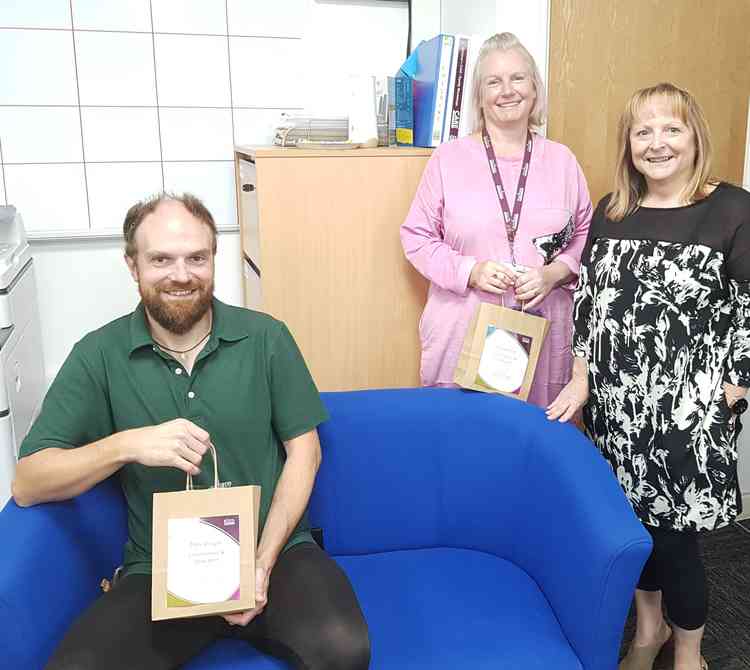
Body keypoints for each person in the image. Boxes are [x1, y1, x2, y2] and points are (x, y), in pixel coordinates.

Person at [11, 193, 370, 670]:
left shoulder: (266, 337)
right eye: (161, 259)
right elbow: (28, 482)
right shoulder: (98, 354)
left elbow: (306, 453)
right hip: (160, 571)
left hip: (275, 555)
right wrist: (126, 445)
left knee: (345, 649)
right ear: (133, 265)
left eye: (196, 258)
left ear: (213, 261)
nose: (181, 275)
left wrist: (260, 565)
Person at [547, 83, 750, 670]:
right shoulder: (614, 214)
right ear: (629, 144)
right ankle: (649, 630)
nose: (657, 143)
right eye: (643, 131)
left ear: (695, 138)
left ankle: (690, 652)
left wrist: (733, 393)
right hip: (618, 408)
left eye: (672, 129)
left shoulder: (732, 210)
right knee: (632, 530)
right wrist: (582, 382)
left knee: (677, 539)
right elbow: (591, 309)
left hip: (691, 413)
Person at [400, 32, 592, 407]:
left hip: (543, 333)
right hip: (463, 331)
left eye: (518, 78)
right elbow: (417, 237)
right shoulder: (448, 159)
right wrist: (469, 271)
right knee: (464, 447)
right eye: (494, 81)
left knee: (533, 448)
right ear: (480, 96)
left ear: (534, 89)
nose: (507, 90)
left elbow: (585, 234)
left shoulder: (563, 161)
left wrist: (553, 274)